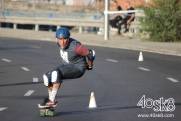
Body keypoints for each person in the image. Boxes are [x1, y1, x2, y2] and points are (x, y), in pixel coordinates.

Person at [38, 27, 95, 108]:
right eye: (60, 39)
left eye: (65, 39)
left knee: (56, 74)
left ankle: (51, 100)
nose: (63, 42)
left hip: (78, 68)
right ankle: (51, 99)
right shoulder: (58, 42)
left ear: (68, 38)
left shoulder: (76, 47)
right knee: (47, 77)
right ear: (57, 39)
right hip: (67, 65)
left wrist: (89, 65)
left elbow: (91, 53)